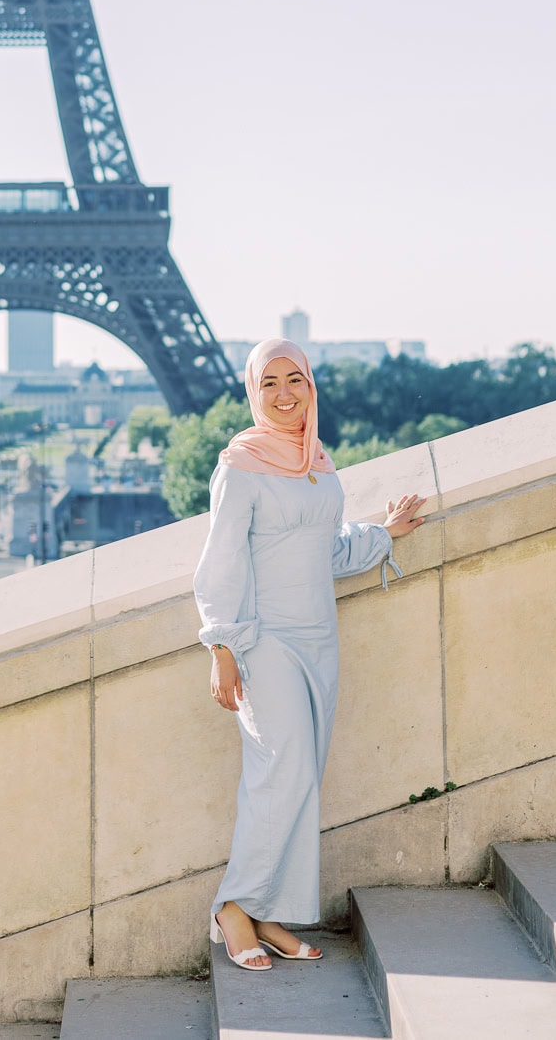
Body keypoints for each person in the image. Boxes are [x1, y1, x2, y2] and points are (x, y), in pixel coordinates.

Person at [193, 337, 426, 971]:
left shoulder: (317, 459)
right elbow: (221, 564)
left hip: (319, 639)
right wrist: (223, 648)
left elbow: (326, 549)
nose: (284, 394)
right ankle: (234, 908)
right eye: (269, 383)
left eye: (295, 379)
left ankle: (268, 914)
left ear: (311, 387)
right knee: (282, 769)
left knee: (303, 775)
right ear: (252, 391)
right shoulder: (239, 465)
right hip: (264, 641)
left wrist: (385, 533)